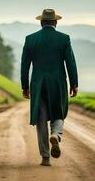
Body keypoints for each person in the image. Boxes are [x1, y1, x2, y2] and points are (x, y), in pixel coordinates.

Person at [20, 9, 78, 166]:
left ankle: (45, 157)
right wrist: (74, 84)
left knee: (40, 119)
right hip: (57, 83)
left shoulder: (30, 39)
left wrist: (25, 86)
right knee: (58, 112)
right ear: (56, 22)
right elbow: (70, 63)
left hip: (38, 84)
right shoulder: (64, 39)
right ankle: (56, 135)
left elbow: (25, 65)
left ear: (41, 22)